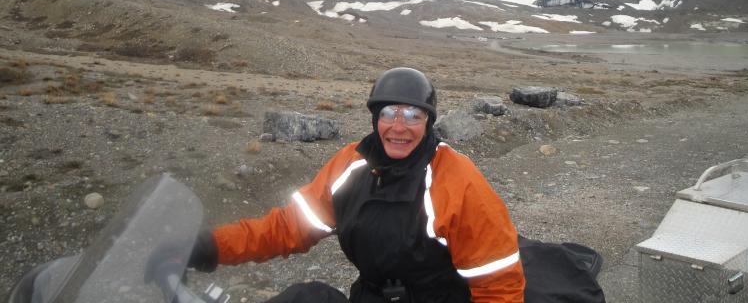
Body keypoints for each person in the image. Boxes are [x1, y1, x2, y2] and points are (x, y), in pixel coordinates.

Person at [169, 67, 525, 303]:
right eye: (388, 113)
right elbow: (287, 228)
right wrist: (208, 247)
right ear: (375, 117)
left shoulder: (455, 178)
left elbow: (499, 284)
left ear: (429, 122)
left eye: (413, 115)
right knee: (306, 298)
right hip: (371, 297)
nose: (399, 127)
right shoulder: (350, 165)